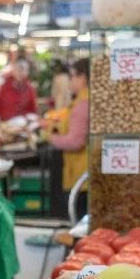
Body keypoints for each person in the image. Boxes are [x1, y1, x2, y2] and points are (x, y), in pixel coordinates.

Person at [49, 58, 90, 220]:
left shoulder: (83, 105)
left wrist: (50, 137)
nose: (70, 81)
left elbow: (75, 141)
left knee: (80, 223)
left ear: (83, 78)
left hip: (82, 176)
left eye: (73, 76)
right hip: (83, 174)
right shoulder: (82, 101)